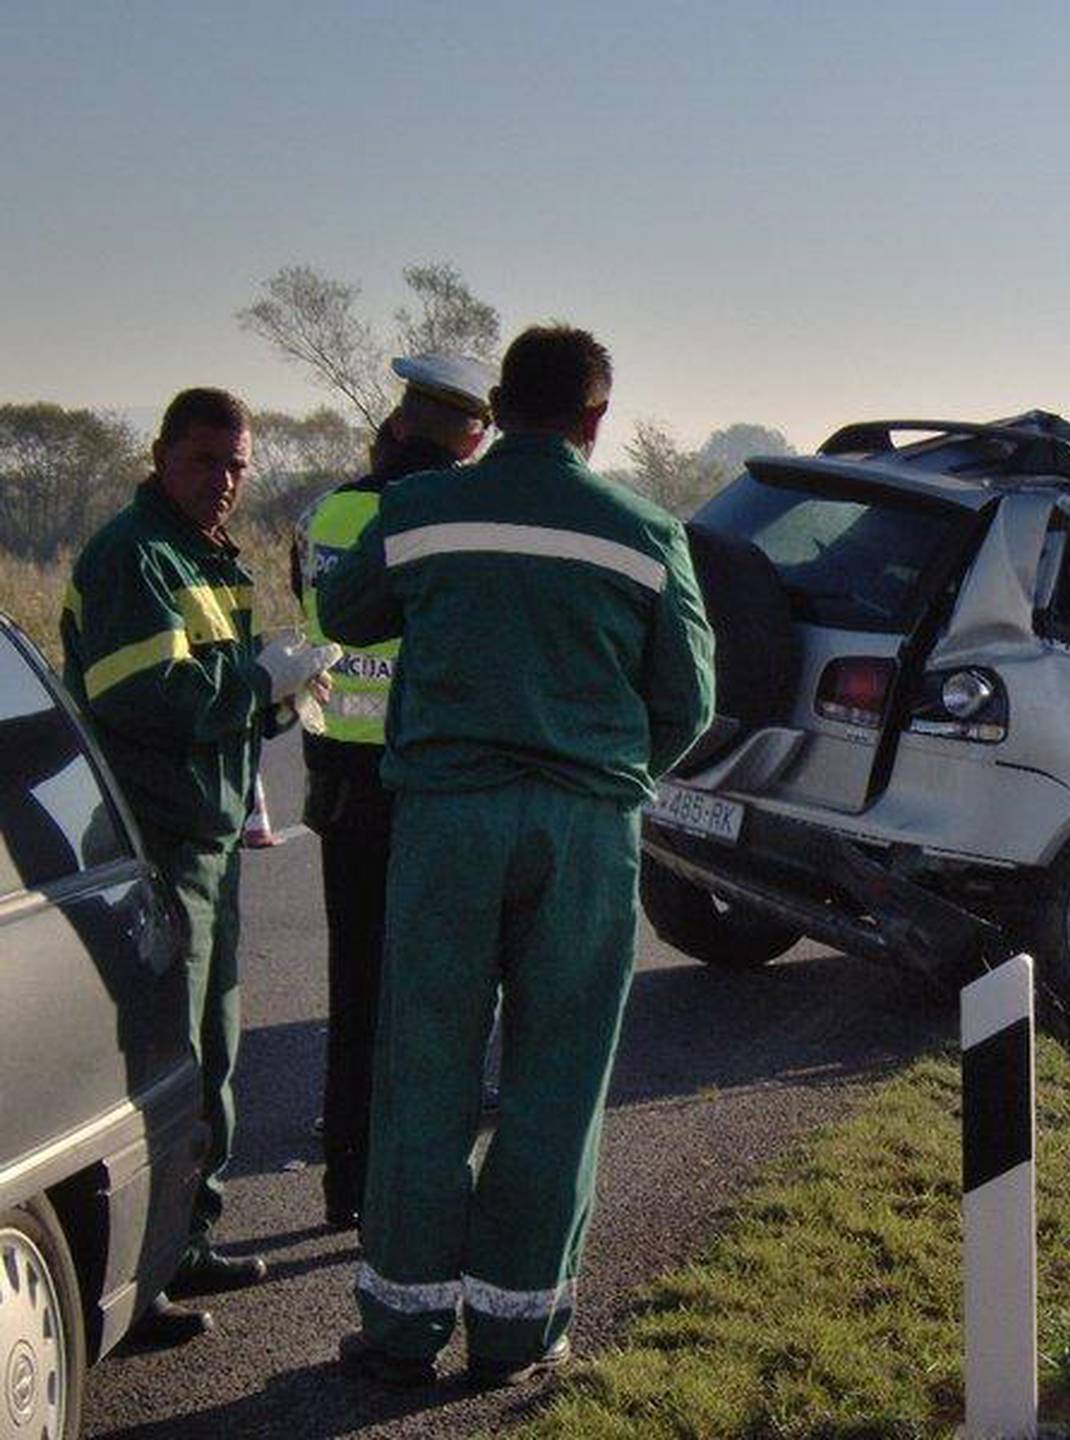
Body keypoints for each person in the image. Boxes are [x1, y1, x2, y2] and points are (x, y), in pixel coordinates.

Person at [320, 325, 714, 1387]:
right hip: (585, 831)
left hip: (448, 820)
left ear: (496, 406)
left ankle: (401, 1327)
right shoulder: (644, 532)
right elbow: (690, 699)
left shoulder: (422, 509)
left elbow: (339, 610)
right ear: (595, 419)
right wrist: (610, 773)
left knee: (426, 1066)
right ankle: (515, 1331)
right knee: (557, 1075)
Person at [60, 388, 336, 1340]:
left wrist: (278, 694)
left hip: (209, 837)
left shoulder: (204, 557)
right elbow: (148, 699)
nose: (222, 482)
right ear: (160, 455)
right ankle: (141, 1278)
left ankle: (186, 1239)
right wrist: (259, 679)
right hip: (160, 838)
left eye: (236, 467)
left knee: (212, 1048)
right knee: (171, 1055)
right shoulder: (131, 556)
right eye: (204, 462)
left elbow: (211, 700)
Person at [291, 355, 494, 1231]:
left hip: (339, 775)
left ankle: (347, 1181)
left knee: (356, 986)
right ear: (474, 436)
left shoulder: (328, 509)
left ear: (400, 422)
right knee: (438, 990)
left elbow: (312, 607)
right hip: (425, 778)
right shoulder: (449, 516)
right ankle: (408, 1187)